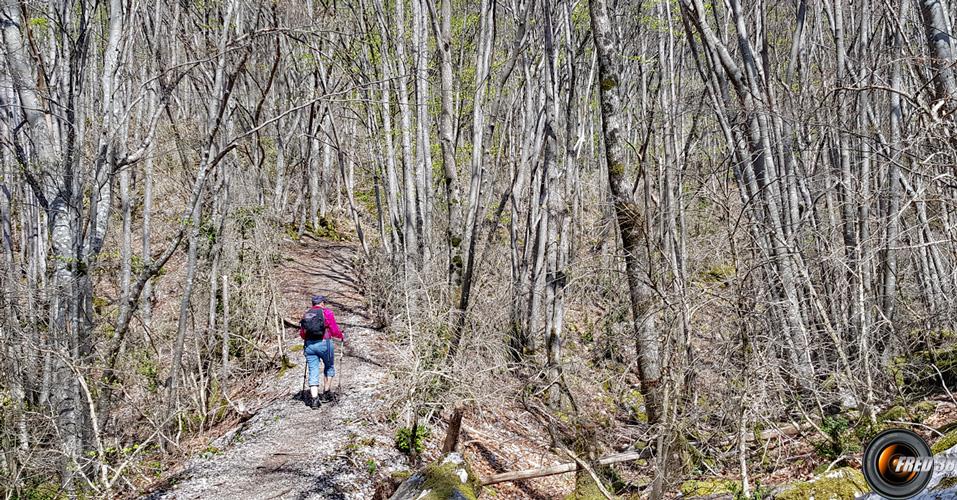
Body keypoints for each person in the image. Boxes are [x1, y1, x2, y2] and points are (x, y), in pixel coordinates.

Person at [299, 295, 344, 409]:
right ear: (322, 303)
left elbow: (302, 334)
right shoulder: (327, 313)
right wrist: (341, 335)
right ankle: (326, 393)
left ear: (313, 303)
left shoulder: (307, 314)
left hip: (309, 345)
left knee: (313, 370)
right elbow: (333, 329)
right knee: (329, 366)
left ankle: (314, 399)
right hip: (325, 343)